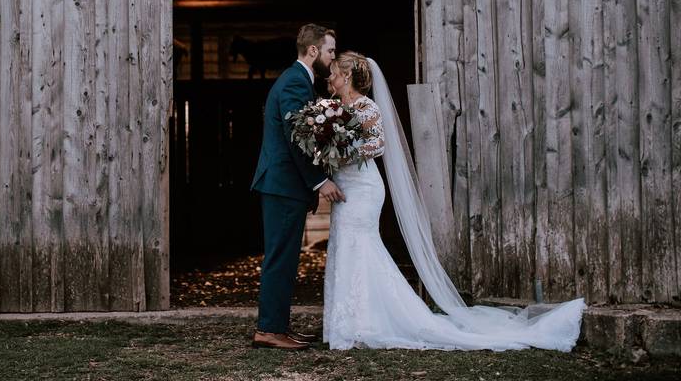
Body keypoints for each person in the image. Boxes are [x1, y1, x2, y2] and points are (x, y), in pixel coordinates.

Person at [323, 51, 586, 351]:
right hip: (345, 186)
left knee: (359, 246)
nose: (328, 77)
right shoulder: (333, 109)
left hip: (364, 188)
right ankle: (346, 322)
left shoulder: (366, 107)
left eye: (332, 72)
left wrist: (342, 153)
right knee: (344, 245)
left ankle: (363, 324)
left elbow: (377, 145)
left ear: (346, 76)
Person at [250, 24, 345, 350]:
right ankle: (269, 330)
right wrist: (319, 181)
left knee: (286, 258)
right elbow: (296, 137)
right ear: (314, 50)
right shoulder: (293, 81)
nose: (333, 57)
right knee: (280, 258)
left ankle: (277, 327)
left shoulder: (299, 80)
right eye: (331, 50)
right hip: (282, 185)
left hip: (285, 186)